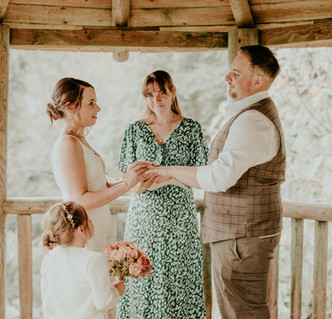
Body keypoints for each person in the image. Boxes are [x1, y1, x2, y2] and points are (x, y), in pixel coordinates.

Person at [145, 46, 286, 318]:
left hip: (243, 237)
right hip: (239, 235)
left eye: (235, 73)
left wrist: (169, 170)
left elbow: (219, 177)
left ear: (257, 81)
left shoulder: (253, 120)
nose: (227, 78)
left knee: (243, 312)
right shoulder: (248, 114)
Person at [116, 70, 209, 319]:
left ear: (172, 92)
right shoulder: (135, 131)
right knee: (141, 279)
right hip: (143, 218)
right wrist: (139, 184)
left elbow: (202, 174)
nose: (155, 99)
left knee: (179, 279)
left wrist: (171, 174)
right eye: (149, 94)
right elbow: (128, 180)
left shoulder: (191, 129)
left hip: (179, 218)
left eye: (161, 92)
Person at [46, 77, 146, 251]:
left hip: (96, 233)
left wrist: (131, 181)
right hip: (83, 237)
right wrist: (127, 184)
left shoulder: (79, 139)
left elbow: (100, 185)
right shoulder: (68, 144)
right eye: (91, 103)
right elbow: (80, 200)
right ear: (70, 107)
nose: (98, 108)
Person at [41, 201, 125, 319]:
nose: (91, 222)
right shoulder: (93, 260)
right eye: (89, 219)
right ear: (81, 230)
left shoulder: (49, 258)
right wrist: (117, 291)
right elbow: (103, 302)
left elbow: (47, 299)